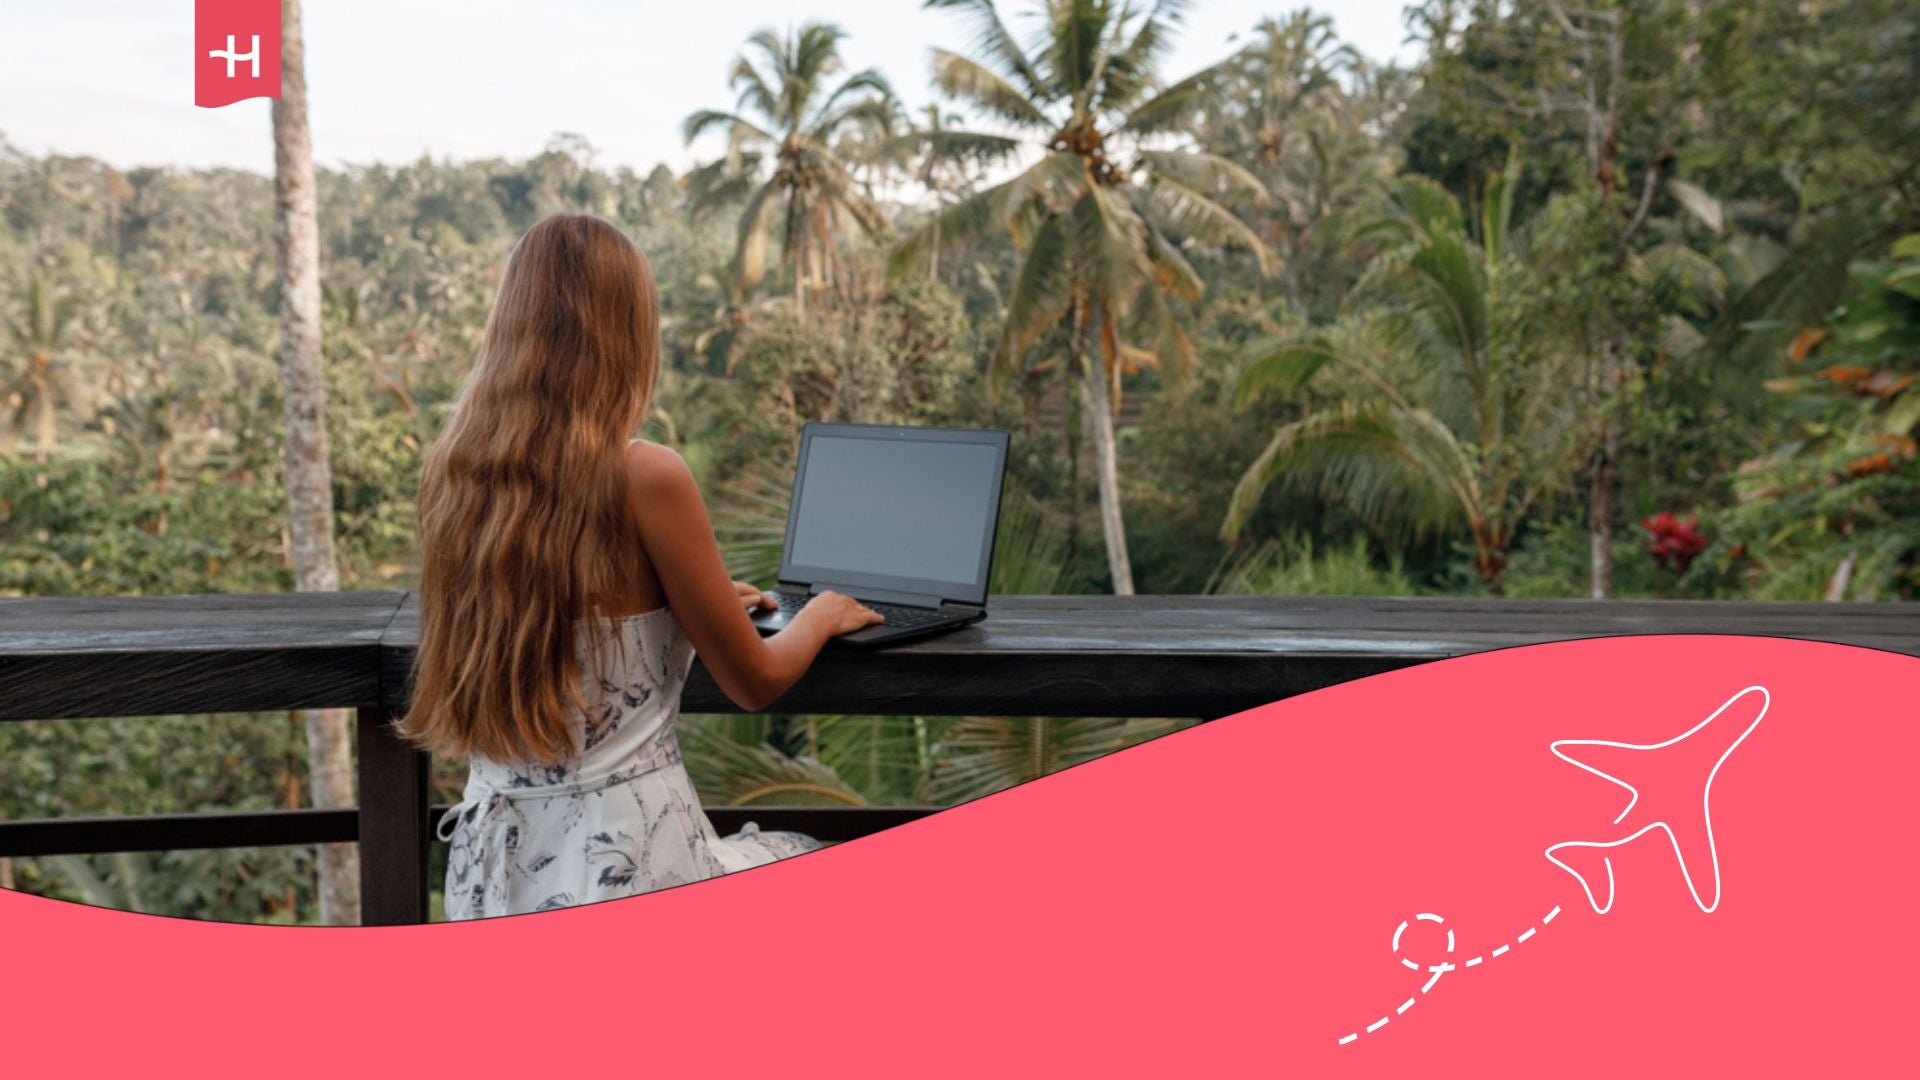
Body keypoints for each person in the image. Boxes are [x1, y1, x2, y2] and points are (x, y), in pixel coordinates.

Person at [398, 212, 884, 920]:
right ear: (625, 331)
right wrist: (818, 616)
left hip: (496, 868)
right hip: (626, 857)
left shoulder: (457, 475)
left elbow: (572, 620)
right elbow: (755, 680)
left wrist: (689, 611)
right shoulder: (645, 475)